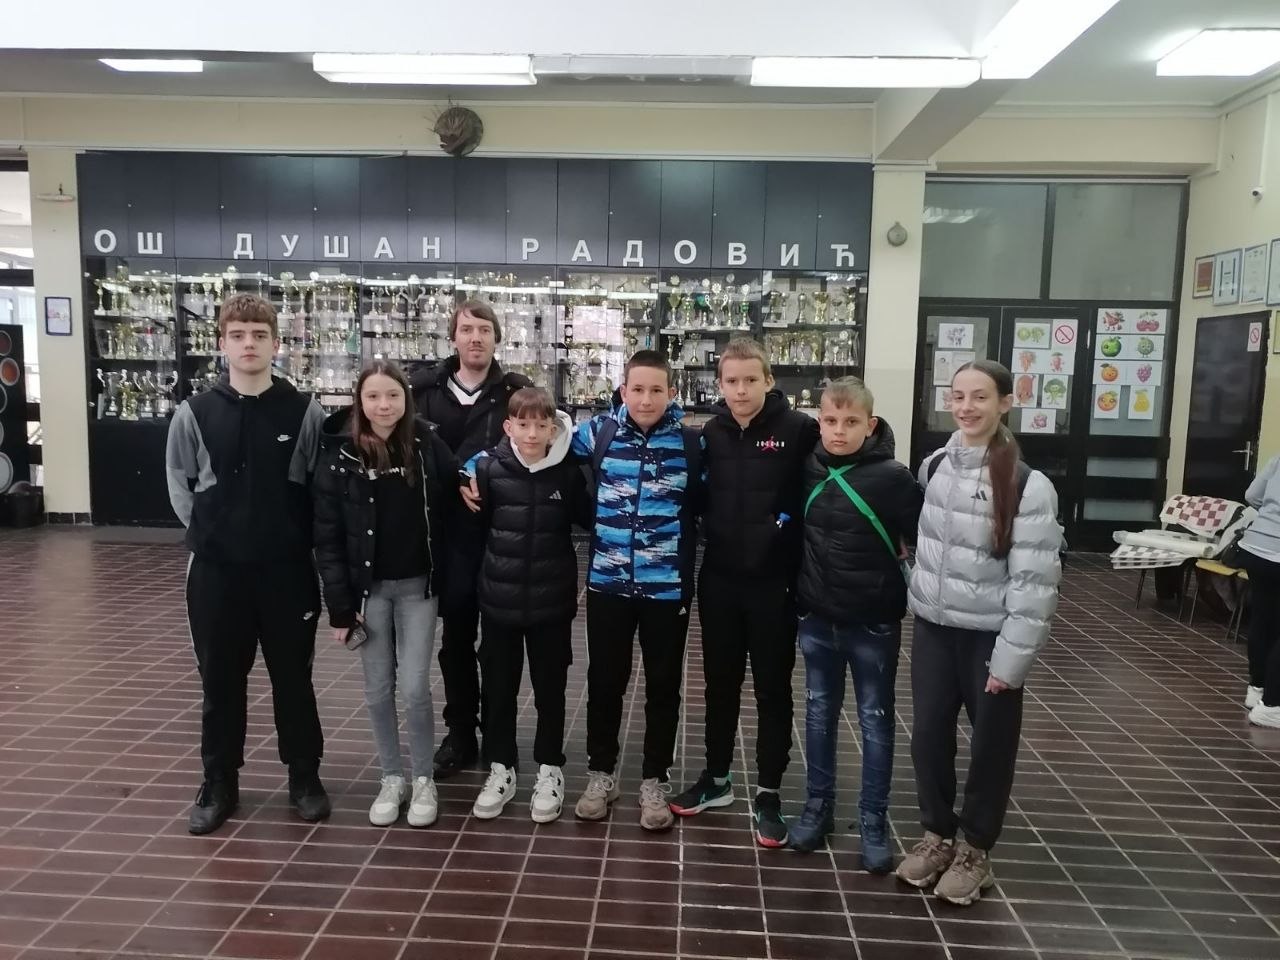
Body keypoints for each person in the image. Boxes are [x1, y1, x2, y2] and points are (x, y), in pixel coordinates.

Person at [897, 359, 1062, 905]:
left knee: (991, 746)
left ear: (1005, 404)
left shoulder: (1028, 484)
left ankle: (975, 850)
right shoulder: (935, 466)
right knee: (928, 738)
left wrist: (1011, 662)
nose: (966, 407)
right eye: (958, 396)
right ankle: (937, 835)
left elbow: (1034, 582)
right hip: (934, 629)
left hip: (990, 637)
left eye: (980, 397)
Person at [165, 293, 330, 835]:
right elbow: (181, 485)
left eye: (259, 335)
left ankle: (304, 776)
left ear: (276, 343)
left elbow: (317, 488)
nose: (249, 344)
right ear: (222, 343)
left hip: (287, 570)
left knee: (294, 679)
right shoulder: (195, 413)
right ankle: (219, 782)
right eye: (237, 335)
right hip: (217, 573)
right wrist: (216, 536)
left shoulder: (304, 411)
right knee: (220, 680)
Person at [669, 337, 819, 848]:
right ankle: (717, 779)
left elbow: (845, 457)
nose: (740, 390)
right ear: (720, 384)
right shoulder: (711, 432)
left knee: (772, 690)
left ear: (768, 381)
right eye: (731, 381)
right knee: (719, 684)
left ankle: (770, 792)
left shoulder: (799, 430)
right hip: (720, 579)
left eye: (750, 380)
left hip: (774, 582)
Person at [312, 360, 458, 827]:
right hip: (368, 594)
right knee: (378, 689)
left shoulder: (425, 442)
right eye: (373, 396)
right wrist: (339, 608)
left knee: (414, 687)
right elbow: (328, 537)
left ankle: (423, 778)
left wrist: (476, 481)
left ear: (406, 399)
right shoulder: (341, 455)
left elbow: (457, 483)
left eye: (393, 395)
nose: (384, 405)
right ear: (359, 402)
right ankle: (391, 776)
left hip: (419, 588)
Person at [789, 377, 922, 870]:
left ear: (871, 424)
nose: (839, 431)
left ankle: (872, 818)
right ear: (818, 421)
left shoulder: (894, 478)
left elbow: (922, 535)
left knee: (875, 719)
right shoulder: (807, 467)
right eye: (829, 421)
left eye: (850, 422)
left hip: (873, 622)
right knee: (818, 713)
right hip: (817, 617)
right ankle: (818, 805)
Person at [569, 350, 703, 832]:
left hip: (666, 588)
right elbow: (534, 439)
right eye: (638, 389)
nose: (646, 399)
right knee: (605, 680)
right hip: (607, 584)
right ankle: (601, 774)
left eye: (656, 390)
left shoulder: (691, 444)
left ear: (672, 393)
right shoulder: (597, 433)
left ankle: (654, 780)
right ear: (623, 391)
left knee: (664, 685)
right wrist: (472, 470)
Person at [411, 301, 532, 779]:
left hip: (503, 533)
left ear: (497, 338)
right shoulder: (423, 392)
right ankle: (460, 732)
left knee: (499, 645)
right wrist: (454, 478)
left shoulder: (515, 391)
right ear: (454, 338)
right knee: (456, 641)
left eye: (484, 329)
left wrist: (481, 472)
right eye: (467, 329)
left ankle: (500, 737)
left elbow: (534, 444)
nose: (476, 337)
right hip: (448, 537)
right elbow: (413, 453)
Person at [463, 387, 591, 822]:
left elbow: (587, 519)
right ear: (509, 426)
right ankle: (501, 766)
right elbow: (478, 531)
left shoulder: (568, 474)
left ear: (554, 429)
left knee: (550, 690)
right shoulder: (488, 469)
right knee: (498, 689)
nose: (532, 433)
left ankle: (550, 767)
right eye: (523, 424)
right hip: (499, 602)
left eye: (541, 425)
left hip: (551, 604)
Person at [1237, 455, 1280, 727]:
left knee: (1263, 621)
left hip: (1256, 547)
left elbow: (1252, 495)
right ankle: (1273, 706)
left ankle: (1257, 689)